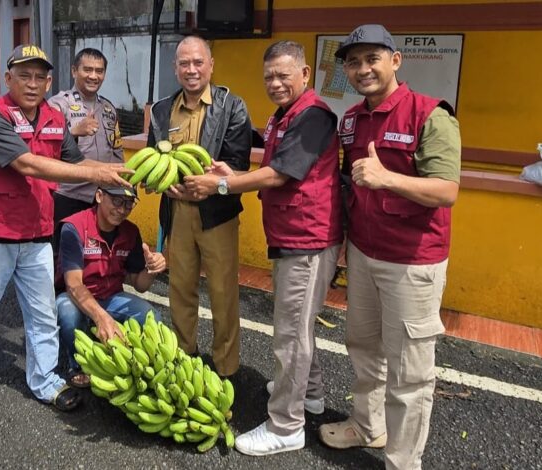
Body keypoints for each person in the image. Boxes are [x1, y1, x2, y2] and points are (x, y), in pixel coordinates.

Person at [0, 44, 132, 425]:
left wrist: (122, 173)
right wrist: (96, 174)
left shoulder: (54, 117)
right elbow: (27, 164)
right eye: (24, 75)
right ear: (8, 79)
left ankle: (45, 380)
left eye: (40, 77)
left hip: (37, 234)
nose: (32, 84)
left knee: (42, 314)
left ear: (49, 81)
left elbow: (77, 160)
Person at [184, 40, 343, 455]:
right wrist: (230, 171)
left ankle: (285, 425)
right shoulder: (285, 116)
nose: (274, 83)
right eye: (268, 76)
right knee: (299, 324)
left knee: (290, 335)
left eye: (283, 75)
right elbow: (268, 167)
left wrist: (222, 182)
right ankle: (309, 394)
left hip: (308, 239)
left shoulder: (312, 117)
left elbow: (279, 175)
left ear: (305, 75)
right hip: (292, 236)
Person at [317, 25, 461, 470]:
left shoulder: (430, 115)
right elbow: (349, 187)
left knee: (410, 371)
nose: (362, 69)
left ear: (395, 61)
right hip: (363, 254)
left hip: (412, 262)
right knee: (363, 345)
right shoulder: (351, 121)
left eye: (371, 59)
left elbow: (446, 190)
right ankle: (367, 424)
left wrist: (388, 179)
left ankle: (403, 461)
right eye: (353, 62)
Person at [147, 35, 252, 378]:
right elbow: (153, 161)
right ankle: (183, 360)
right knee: (180, 291)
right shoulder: (162, 109)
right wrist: (164, 184)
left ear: (210, 65)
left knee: (223, 295)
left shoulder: (232, 106)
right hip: (176, 213)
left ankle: (225, 369)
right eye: (184, 63)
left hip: (217, 215)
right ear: (175, 68)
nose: (191, 70)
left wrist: (208, 188)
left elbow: (238, 165)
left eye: (197, 62)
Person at [56, 186, 166, 387]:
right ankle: (77, 365)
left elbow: (139, 285)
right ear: (99, 196)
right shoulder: (74, 227)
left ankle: (137, 362)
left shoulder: (131, 232)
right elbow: (73, 284)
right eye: (116, 201)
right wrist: (101, 317)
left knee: (153, 318)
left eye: (129, 203)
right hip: (76, 297)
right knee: (67, 313)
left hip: (111, 296)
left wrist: (152, 270)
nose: (122, 209)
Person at [48, 48, 124, 231]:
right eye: (87, 70)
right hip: (68, 196)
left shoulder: (108, 109)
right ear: (74, 71)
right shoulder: (59, 105)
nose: (93, 76)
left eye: (99, 71)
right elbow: (46, 150)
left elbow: (117, 150)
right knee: (64, 253)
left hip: (102, 198)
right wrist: (74, 132)